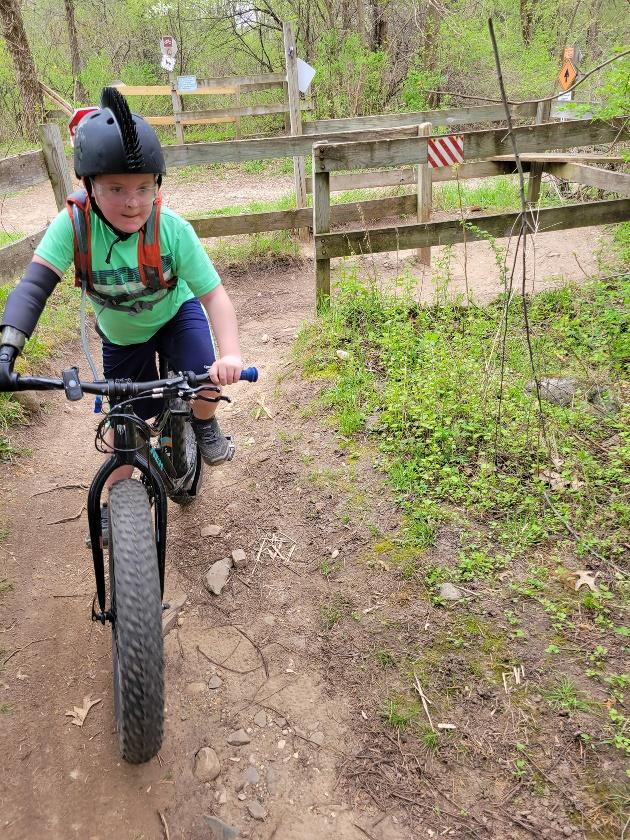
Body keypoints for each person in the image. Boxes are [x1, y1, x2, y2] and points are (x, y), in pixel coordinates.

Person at [0, 87, 242, 502]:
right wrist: (7, 349)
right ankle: (118, 501)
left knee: (205, 384)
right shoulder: (72, 227)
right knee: (126, 426)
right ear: (89, 186)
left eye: (144, 188)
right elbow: (34, 287)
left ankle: (203, 424)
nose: (132, 203)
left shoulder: (173, 230)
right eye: (115, 189)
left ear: (157, 186)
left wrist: (231, 355)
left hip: (176, 313)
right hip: (122, 335)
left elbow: (215, 297)